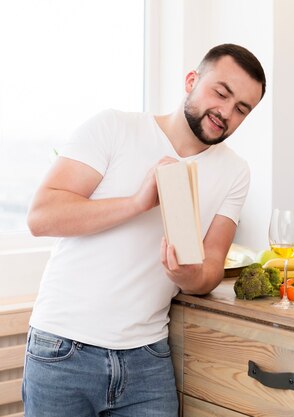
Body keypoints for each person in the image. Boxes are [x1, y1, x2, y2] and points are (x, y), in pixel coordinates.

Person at [23, 43, 266, 416]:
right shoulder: (115, 127)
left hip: (147, 359)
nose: (226, 113)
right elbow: (42, 216)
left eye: (241, 110)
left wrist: (189, 275)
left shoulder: (235, 172)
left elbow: (212, 266)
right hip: (62, 349)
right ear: (191, 81)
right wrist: (137, 202)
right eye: (221, 93)